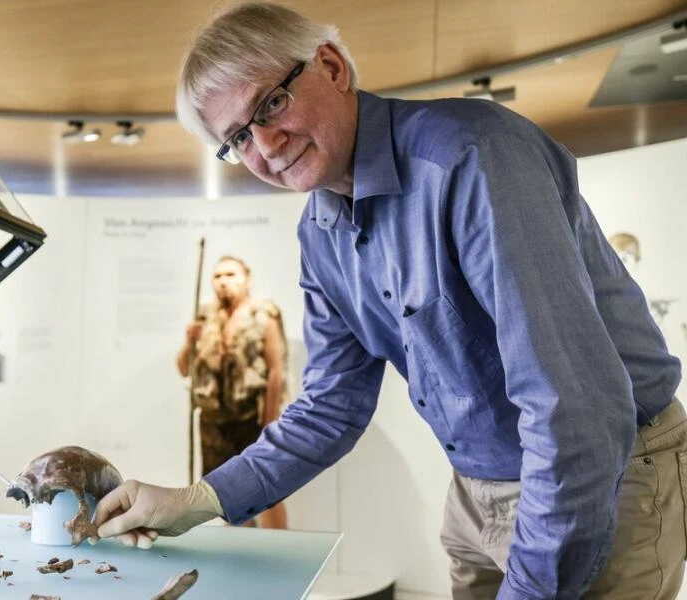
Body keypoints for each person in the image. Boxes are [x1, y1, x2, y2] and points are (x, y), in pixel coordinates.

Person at [92, 4, 684, 598]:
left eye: (270, 104)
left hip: (607, 474)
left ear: (331, 66)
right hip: (476, 488)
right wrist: (197, 500)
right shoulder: (319, 232)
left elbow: (574, 409)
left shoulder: (471, 157)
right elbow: (331, 404)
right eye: (238, 138)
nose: (266, 145)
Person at [175, 255, 288, 529]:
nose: (223, 282)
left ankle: (280, 552)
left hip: (251, 420)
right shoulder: (205, 316)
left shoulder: (263, 314)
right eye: (217, 276)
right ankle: (242, 554)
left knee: (267, 489)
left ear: (246, 279)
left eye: (230, 274)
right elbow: (183, 369)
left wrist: (269, 422)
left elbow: (276, 371)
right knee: (226, 494)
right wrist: (189, 341)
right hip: (213, 423)